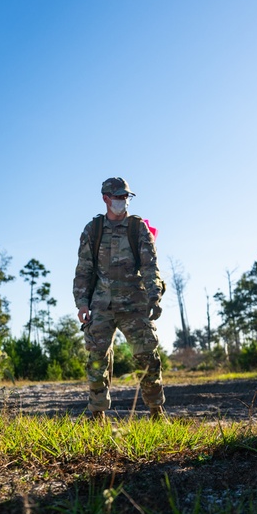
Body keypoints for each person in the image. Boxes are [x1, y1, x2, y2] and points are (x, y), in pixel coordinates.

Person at [73, 177, 167, 420]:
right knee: (96, 359)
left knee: (147, 355)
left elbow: (150, 265)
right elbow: (83, 269)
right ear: (106, 198)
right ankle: (97, 416)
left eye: (126, 197)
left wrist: (154, 296)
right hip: (101, 304)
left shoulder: (138, 228)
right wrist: (82, 303)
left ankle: (156, 411)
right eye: (118, 197)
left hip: (135, 303)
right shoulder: (92, 230)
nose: (123, 201)